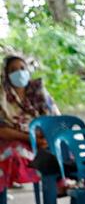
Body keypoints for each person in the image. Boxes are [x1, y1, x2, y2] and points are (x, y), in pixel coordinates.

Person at [0, 54, 61, 193]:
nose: (19, 73)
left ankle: (61, 186)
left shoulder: (38, 92)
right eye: (13, 70)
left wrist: (45, 138)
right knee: (14, 152)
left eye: (22, 68)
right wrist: (32, 139)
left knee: (63, 147)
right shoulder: (2, 97)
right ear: (6, 75)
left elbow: (55, 119)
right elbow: (2, 130)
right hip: (15, 139)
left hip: (42, 139)